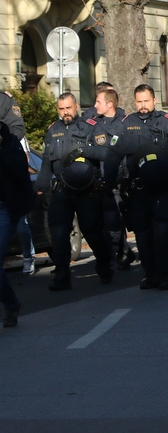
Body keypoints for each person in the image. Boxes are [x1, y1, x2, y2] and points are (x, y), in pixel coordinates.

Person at [104, 85, 168, 291]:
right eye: (139, 101)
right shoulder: (127, 125)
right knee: (143, 234)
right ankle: (149, 273)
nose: (143, 106)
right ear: (134, 102)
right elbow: (113, 154)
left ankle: (163, 274)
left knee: (162, 231)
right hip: (138, 190)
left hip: (163, 188)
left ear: (155, 100)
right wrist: (109, 183)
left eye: (146, 101)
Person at [35, 92, 114, 290]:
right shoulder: (53, 131)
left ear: (76, 106)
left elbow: (106, 152)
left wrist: (83, 150)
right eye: (61, 109)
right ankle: (62, 275)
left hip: (87, 190)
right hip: (62, 190)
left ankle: (105, 265)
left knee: (91, 230)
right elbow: (46, 163)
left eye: (68, 108)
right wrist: (40, 188)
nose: (65, 112)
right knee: (59, 232)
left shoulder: (91, 127)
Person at [86, 88, 136, 270]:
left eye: (98, 102)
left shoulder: (125, 124)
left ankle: (122, 251)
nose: (94, 106)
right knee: (106, 222)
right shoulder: (92, 124)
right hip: (99, 181)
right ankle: (121, 251)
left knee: (118, 220)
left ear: (109, 104)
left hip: (120, 180)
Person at [1, 121, 34, 327]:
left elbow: (20, 168)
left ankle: (11, 304)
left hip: (4, 209)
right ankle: (11, 303)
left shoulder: (10, 141)